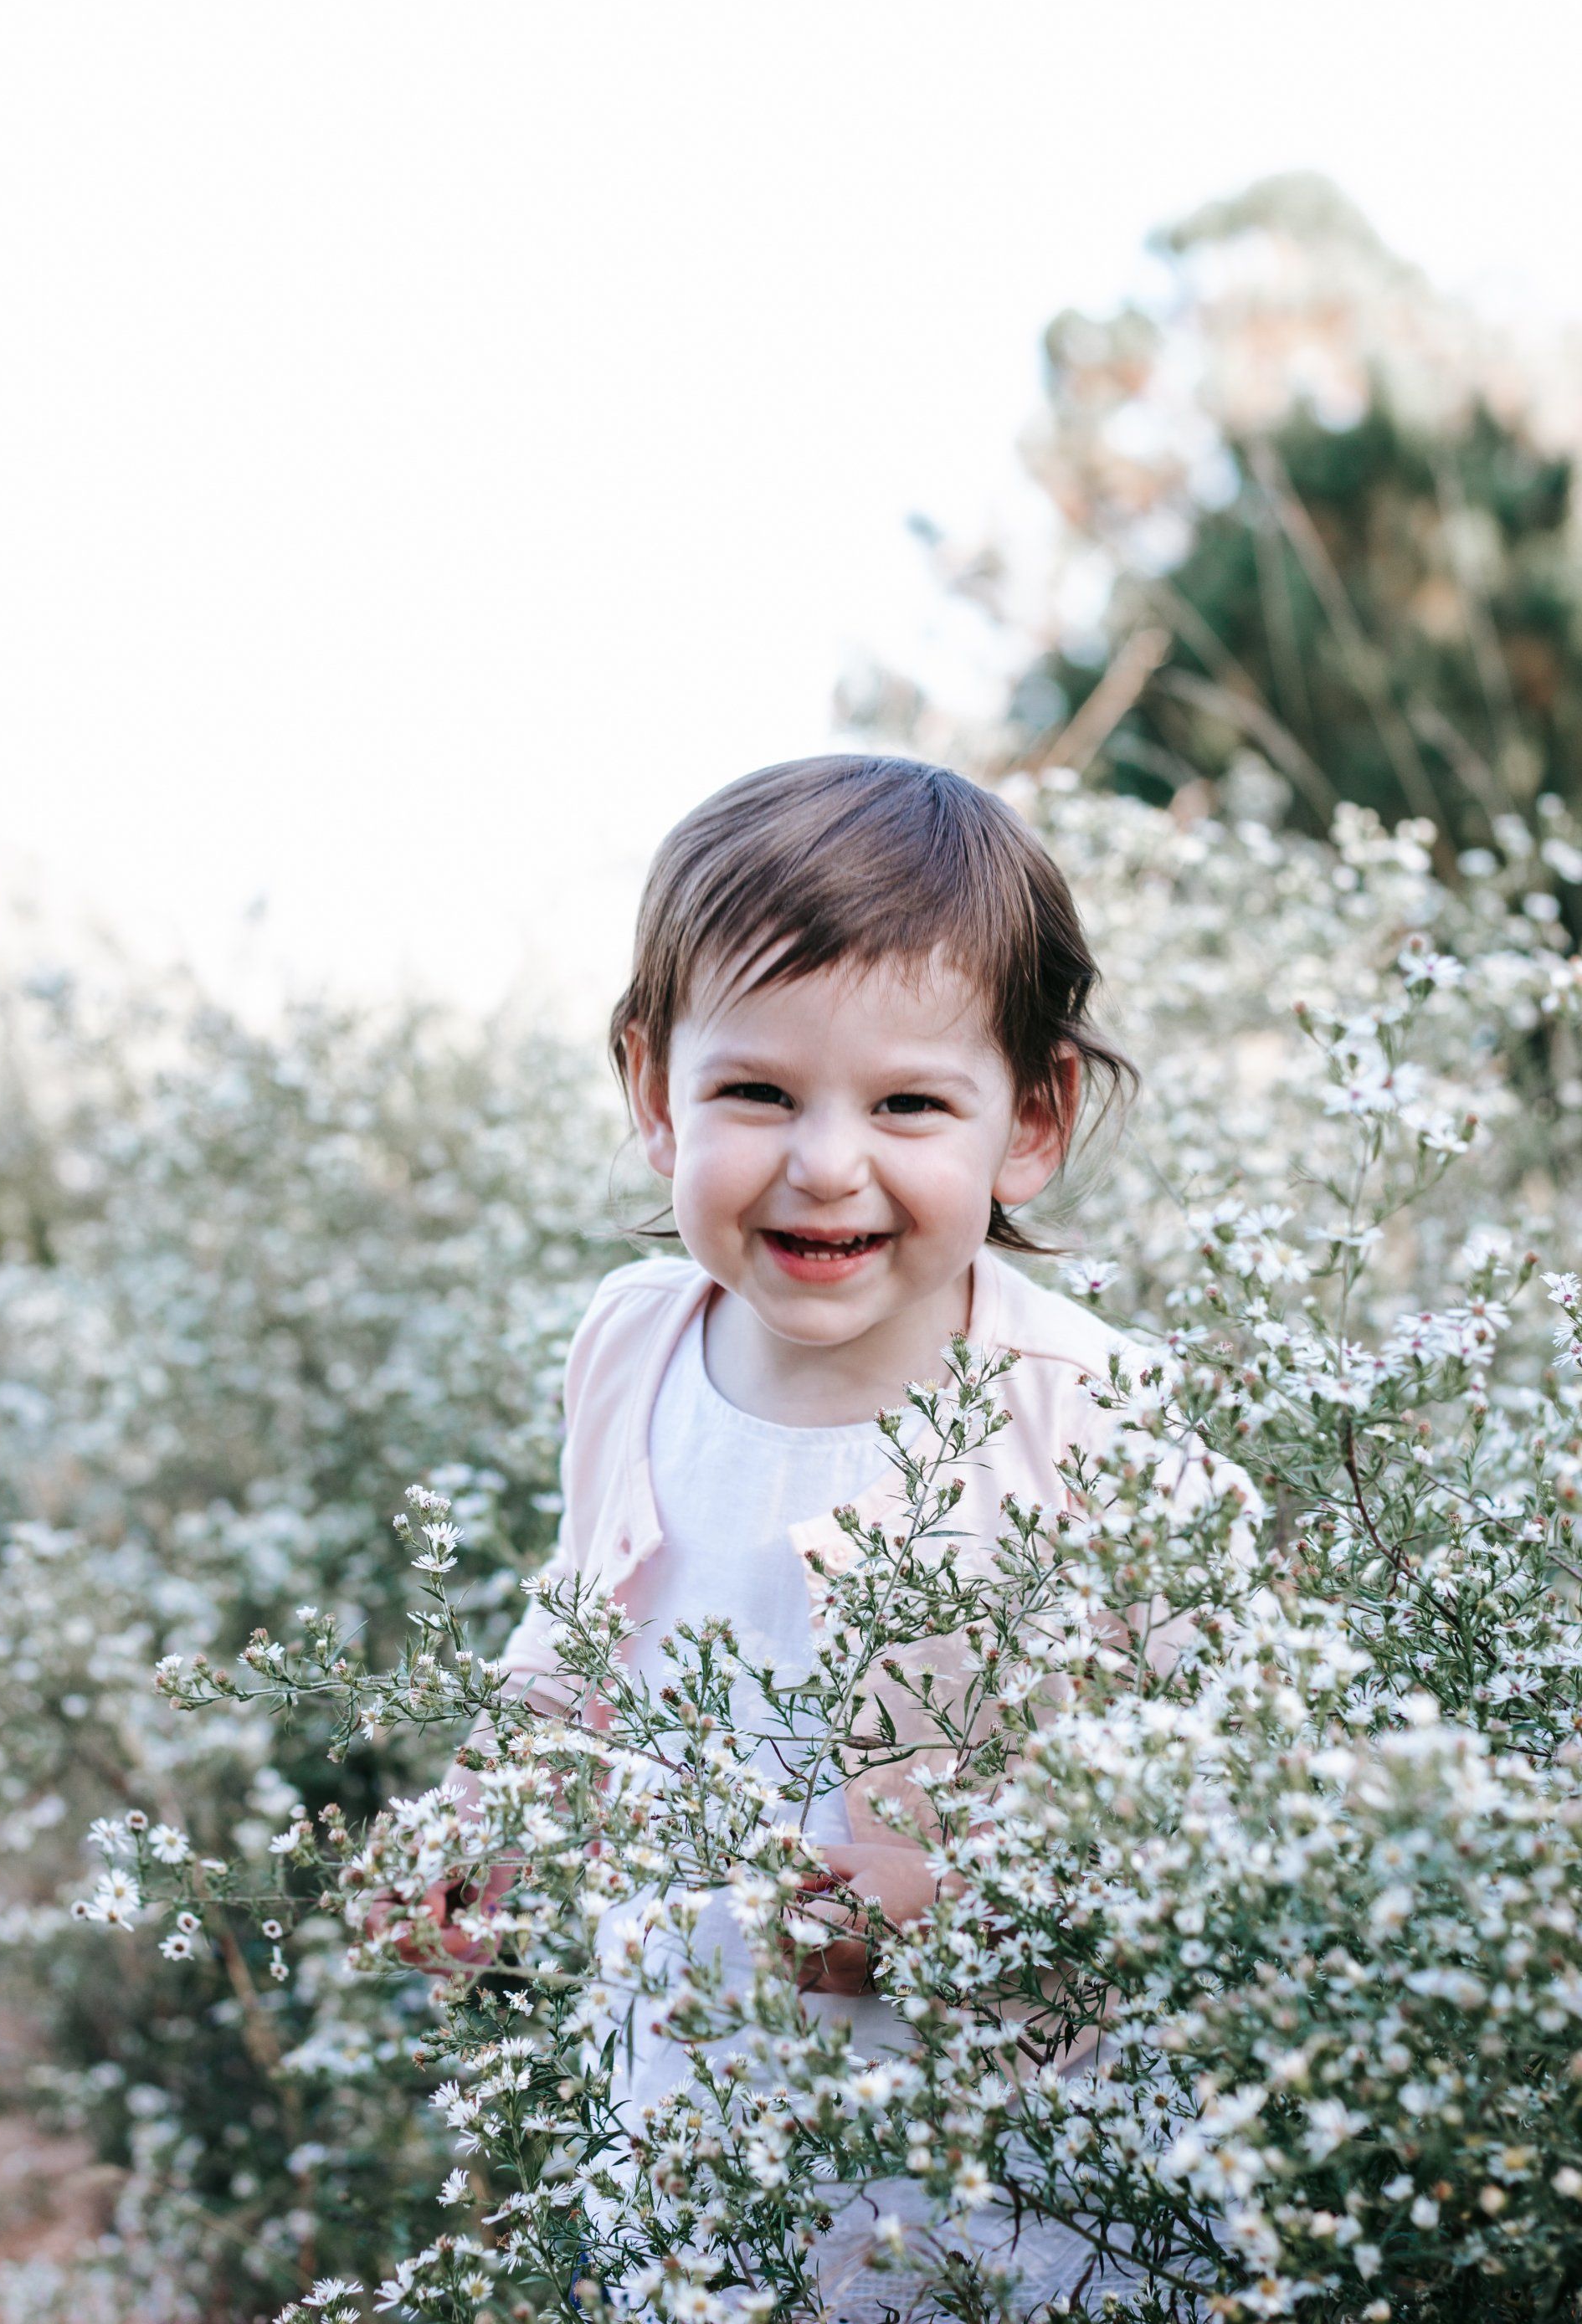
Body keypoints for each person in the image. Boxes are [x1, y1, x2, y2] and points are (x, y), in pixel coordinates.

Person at [393, 752, 1204, 2311]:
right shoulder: (635, 1341)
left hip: (1004, 2163)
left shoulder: (1088, 1411)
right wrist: (486, 1813)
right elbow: (582, 1628)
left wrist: (948, 1898)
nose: (827, 1161)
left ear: (1031, 1120)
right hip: (702, 2112)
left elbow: (1204, 1792)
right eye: (756, 1091)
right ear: (653, 1094)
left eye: (909, 1103)